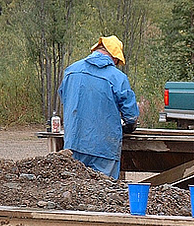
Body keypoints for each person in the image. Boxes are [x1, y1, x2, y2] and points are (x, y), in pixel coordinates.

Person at [58, 35, 139, 180]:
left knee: (76, 189)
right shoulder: (117, 77)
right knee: (104, 192)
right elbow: (131, 116)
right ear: (114, 58)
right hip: (104, 148)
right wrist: (128, 126)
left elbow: (65, 97)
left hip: (74, 143)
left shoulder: (71, 71)